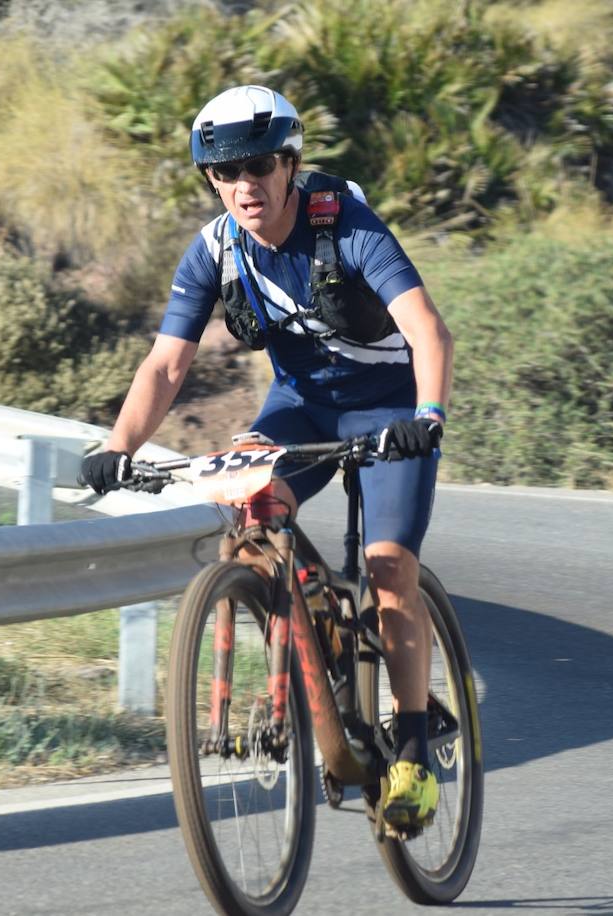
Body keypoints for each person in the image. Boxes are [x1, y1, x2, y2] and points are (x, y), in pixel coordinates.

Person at [80, 85, 453, 832]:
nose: (244, 186)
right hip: (300, 406)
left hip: (387, 411)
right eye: (226, 174)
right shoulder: (215, 249)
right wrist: (116, 447)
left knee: (387, 569)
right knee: (249, 517)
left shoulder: (343, 223)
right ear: (212, 181)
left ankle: (411, 742)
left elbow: (427, 330)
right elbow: (165, 367)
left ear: (289, 164)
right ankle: (307, 636)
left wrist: (427, 416)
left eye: (258, 167)